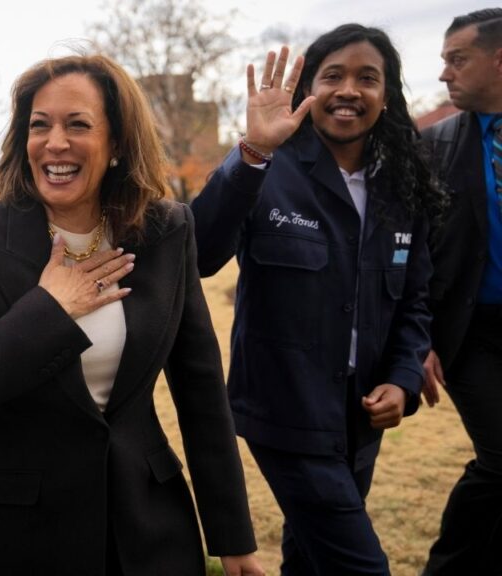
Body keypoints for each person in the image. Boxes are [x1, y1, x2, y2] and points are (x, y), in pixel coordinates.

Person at [0, 54, 263, 575]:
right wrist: (48, 310)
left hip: (143, 533)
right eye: (40, 126)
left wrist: (233, 537)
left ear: (118, 144)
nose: (55, 143)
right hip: (12, 537)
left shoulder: (167, 231)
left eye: (78, 124)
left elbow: (201, 395)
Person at [191, 24, 445, 575]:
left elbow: (414, 303)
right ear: (308, 89)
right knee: (360, 567)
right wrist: (254, 151)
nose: (349, 90)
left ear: (387, 94)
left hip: (359, 420)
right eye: (333, 76)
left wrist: (403, 380)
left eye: (367, 78)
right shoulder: (268, 170)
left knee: (309, 560)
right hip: (284, 413)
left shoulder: (404, 187)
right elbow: (199, 254)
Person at [421, 9, 502, 574]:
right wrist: (417, 339)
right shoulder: (434, 147)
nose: (445, 73)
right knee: (500, 460)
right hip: (473, 335)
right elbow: (413, 255)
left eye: (458, 59)